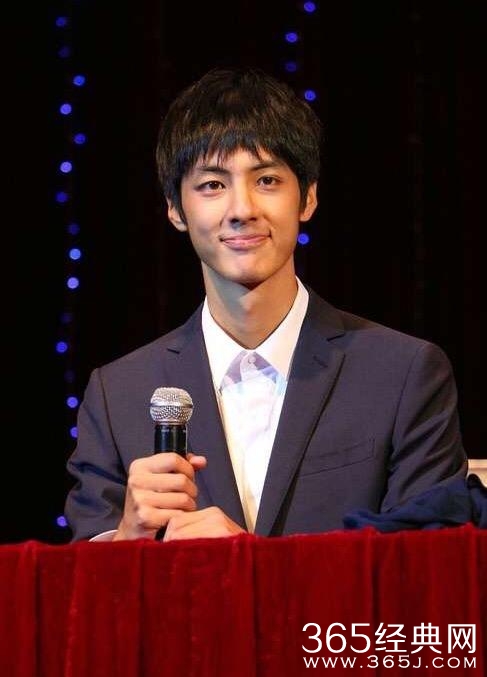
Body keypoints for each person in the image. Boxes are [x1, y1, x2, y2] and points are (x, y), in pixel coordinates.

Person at [64, 67, 467, 542]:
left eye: (267, 180)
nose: (242, 209)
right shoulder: (118, 394)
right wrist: (128, 540)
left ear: (308, 197)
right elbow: (78, 580)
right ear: (175, 208)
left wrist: (249, 564)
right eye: (212, 185)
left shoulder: (403, 374)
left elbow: (430, 569)